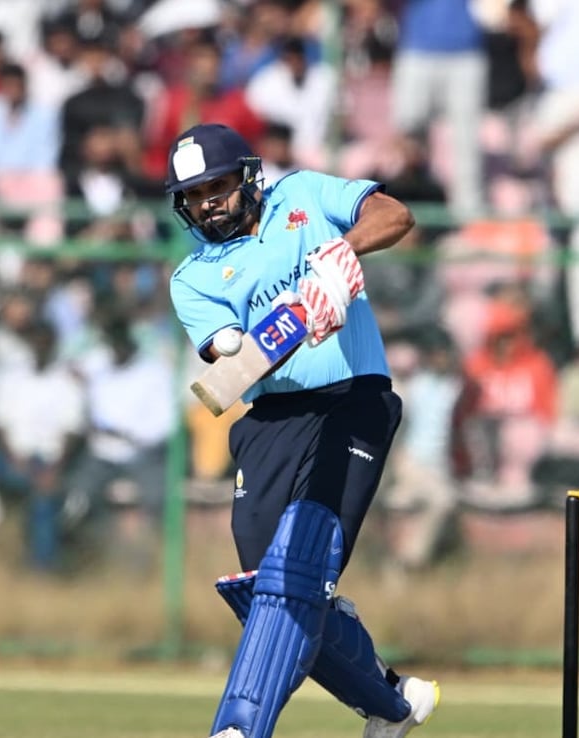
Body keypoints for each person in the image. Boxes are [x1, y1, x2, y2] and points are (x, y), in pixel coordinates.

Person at [165, 123, 437, 738]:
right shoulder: (193, 278)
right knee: (264, 590)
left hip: (352, 400)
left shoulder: (306, 194)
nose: (208, 203)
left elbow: (395, 216)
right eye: (194, 195)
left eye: (216, 186)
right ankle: (392, 703)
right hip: (271, 419)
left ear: (247, 177)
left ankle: (240, 727)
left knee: (296, 573)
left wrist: (344, 253)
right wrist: (301, 312)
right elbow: (234, 366)